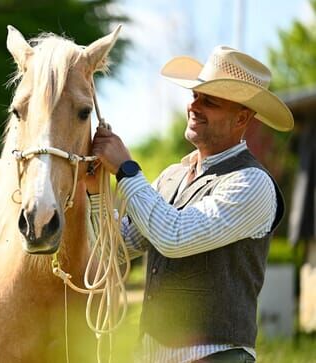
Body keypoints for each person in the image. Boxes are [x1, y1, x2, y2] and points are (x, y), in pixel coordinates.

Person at [87, 46, 294, 362]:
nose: (194, 106)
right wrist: (95, 193)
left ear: (242, 118)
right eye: (195, 95)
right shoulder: (172, 176)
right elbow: (117, 248)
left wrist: (126, 171)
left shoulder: (253, 183)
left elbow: (174, 237)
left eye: (210, 101)